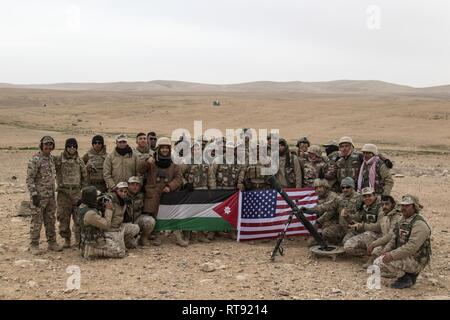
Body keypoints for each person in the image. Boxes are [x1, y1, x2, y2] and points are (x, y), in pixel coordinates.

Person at [374, 194, 431, 289]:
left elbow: (411, 247)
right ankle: (405, 275)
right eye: (402, 205)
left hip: (416, 259)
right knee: (378, 260)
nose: (403, 208)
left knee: (380, 263)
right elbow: (394, 238)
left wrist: (392, 255)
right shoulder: (402, 220)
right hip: (405, 254)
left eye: (407, 206)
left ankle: (409, 276)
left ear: (414, 207)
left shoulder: (420, 224)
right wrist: (386, 250)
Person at [138, 137, 183, 246]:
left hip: (166, 193)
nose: (164, 150)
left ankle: (159, 236)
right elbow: (140, 169)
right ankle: (146, 236)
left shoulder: (174, 164)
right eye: (162, 148)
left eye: (166, 148)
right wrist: (146, 162)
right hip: (153, 194)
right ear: (158, 149)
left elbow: (178, 179)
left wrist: (170, 186)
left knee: (163, 215)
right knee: (152, 216)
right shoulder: (151, 162)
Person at [26, 136, 63, 254]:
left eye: (50, 144)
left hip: (51, 196)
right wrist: (34, 194)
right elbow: (29, 179)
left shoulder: (52, 159)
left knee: (50, 220)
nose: (48, 147)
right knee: (37, 221)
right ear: (41, 145)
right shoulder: (35, 160)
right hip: (39, 197)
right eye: (46, 144)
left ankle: (52, 243)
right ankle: (34, 244)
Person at [55, 138, 88, 248]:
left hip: (76, 193)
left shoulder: (79, 160)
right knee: (63, 218)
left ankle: (78, 240)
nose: (72, 148)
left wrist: (83, 191)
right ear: (66, 147)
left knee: (78, 217)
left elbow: (84, 177)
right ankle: (66, 239)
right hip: (63, 193)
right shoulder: (59, 160)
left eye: (74, 146)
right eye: (69, 146)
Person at [78, 186, 126, 259]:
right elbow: (106, 225)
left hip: (87, 239)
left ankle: (88, 249)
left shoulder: (82, 207)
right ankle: (93, 251)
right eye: (96, 197)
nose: (97, 198)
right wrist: (108, 210)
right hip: (94, 242)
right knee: (121, 252)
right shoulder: (90, 213)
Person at [343, 187, 382, 256]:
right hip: (364, 232)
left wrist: (362, 226)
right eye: (364, 196)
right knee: (347, 246)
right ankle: (365, 253)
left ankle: (374, 255)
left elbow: (379, 227)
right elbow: (357, 217)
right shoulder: (364, 207)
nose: (367, 198)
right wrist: (347, 216)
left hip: (378, 235)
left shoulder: (380, 207)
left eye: (369, 196)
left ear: (374, 195)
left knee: (368, 234)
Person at [108, 182, 140, 249]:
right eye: (121, 191)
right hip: (110, 229)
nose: (123, 193)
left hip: (119, 227)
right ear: (116, 190)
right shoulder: (111, 201)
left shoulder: (124, 201)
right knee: (121, 251)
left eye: (125, 192)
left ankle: (124, 240)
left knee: (135, 229)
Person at [124, 176, 155, 246]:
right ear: (128, 185)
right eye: (132, 184)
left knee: (150, 221)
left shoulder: (142, 195)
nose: (135, 187)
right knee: (132, 245)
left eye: (137, 185)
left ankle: (143, 238)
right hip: (126, 223)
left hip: (137, 220)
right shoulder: (123, 194)